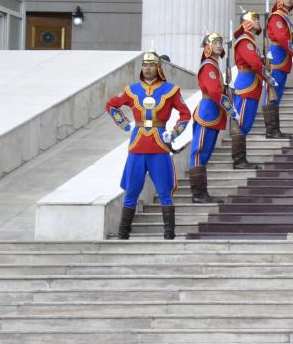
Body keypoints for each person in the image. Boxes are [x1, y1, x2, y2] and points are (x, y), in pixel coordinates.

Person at [105, 50, 191, 241]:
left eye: (151, 65)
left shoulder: (170, 90)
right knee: (131, 190)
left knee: (164, 190)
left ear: (158, 67)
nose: (147, 68)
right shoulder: (132, 90)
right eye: (144, 65)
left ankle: (169, 233)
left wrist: (175, 132)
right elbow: (111, 105)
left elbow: (185, 114)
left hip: (159, 145)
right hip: (137, 144)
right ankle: (123, 233)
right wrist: (124, 123)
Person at [186, 32, 228, 205]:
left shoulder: (214, 65)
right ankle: (198, 193)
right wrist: (227, 102)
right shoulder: (208, 66)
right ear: (207, 46)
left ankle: (202, 192)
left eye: (220, 42)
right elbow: (214, 91)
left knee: (206, 152)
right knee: (199, 151)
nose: (219, 45)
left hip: (213, 110)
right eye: (215, 42)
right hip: (207, 110)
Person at [228, 13, 265, 169]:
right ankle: (239, 160)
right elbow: (254, 63)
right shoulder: (244, 41)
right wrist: (265, 70)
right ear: (246, 23)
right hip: (246, 84)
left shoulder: (250, 40)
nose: (257, 22)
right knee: (241, 123)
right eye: (254, 19)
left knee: (246, 123)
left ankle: (241, 159)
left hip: (252, 84)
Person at [263, 0, 293, 139]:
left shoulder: (285, 16)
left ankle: (275, 129)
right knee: (273, 94)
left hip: (283, 57)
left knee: (278, 93)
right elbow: (282, 38)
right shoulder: (277, 16)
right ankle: (271, 130)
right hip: (277, 56)